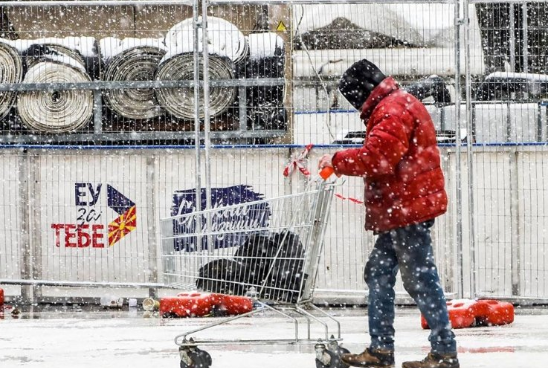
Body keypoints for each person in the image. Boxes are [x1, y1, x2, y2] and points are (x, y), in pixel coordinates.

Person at [318, 59, 458, 368]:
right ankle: (381, 350)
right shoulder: (396, 104)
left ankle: (444, 351)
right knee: (379, 273)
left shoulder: (392, 110)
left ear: (361, 93)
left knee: (420, 278)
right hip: (401, 209)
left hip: (406, 210)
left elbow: (379, 158)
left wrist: (337, 160)